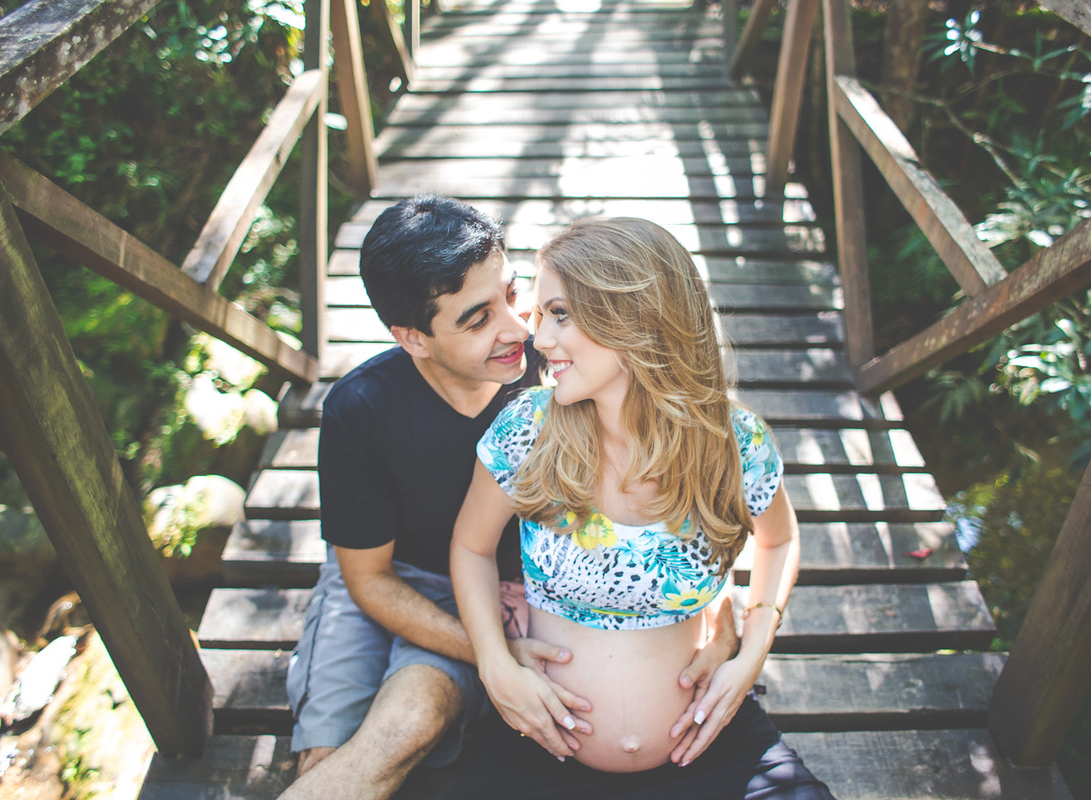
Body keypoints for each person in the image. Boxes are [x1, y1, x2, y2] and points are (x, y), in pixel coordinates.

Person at [280, 198, 737, 800]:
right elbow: (367, 578)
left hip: (505, 590)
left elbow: (680, 496)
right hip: (390, 579)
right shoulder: (360, 408)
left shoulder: (560, 372)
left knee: (408, 723)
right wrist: (495, 655)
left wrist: (727, 619)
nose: (522, 330)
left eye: (512, 292)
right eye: (477, 319)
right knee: (322, 760)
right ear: (412, 338)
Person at [448, 217, 834, 797]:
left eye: (560, 315)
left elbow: (778, 540)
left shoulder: (732, 442)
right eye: (540, 316)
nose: (538, 340)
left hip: (709, 743)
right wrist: (494, 663)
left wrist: (751, 651)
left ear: (635, 320)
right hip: (542, 744)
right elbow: (471, 548)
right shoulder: (528, 430)